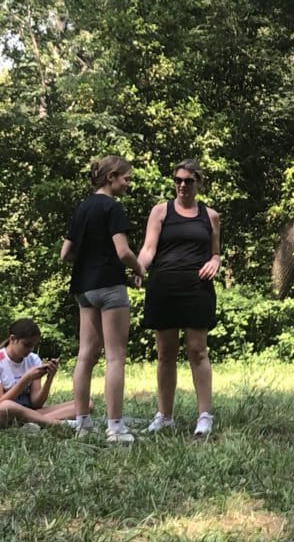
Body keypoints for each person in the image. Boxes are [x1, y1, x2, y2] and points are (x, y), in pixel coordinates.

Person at [61, 155, 144, 444]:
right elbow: (122, 252)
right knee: (115, 356)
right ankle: (115, 427)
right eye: (126, 178)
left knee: (85, 354)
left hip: (84, 288)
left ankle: (83, 422)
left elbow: (65, 253)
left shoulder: (82, 207)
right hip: (110, 287)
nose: (128, 184)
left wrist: (88, 262)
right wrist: (140, 268)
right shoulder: (112, 207)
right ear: (111, 177)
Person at [138, 159, 221, 437]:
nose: (182, 185)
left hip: (197, 289)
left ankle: (204, 416)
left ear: (198, 183)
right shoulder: (161, 211)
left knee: (197, 350)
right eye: (178, 180)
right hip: (164, 287)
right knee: (165, 353)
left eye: (188, 180)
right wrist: (139, 269)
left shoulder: (209, 216)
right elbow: (149, 249)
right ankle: (164, 415)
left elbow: (215, 252)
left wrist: (216, 261)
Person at [0, 318, 80, 428]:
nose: (30, 350)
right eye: (27, 345)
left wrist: (49, 378)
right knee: (7, 406)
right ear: (13, 339)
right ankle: (59, 424)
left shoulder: (33, 359)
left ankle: (32, 422)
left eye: (33, 346)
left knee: (85, 405)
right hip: (6, 412)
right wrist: (26, 379)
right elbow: (2, 403)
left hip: (30, 411)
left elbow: (36, 403)